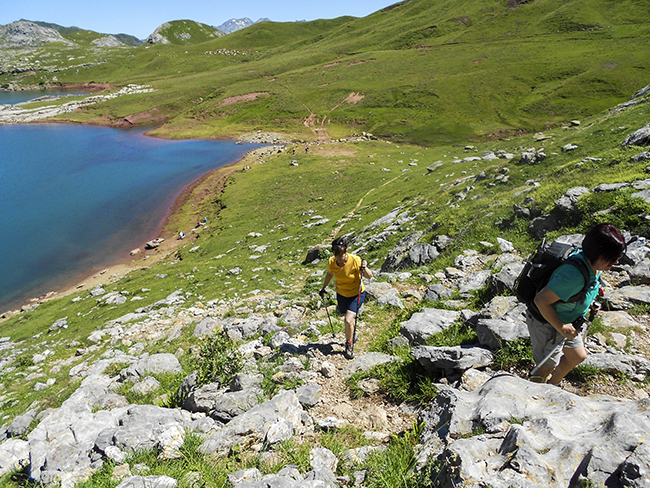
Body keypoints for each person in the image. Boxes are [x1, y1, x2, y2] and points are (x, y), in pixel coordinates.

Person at [527, 223, 626, 385]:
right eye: (611, 258)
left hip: (569, 322)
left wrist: (591, 302)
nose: (615, 262)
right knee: (547, 365)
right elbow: (541, 300)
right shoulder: (572, 275)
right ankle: (535, 392)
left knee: (578, 356)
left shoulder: (593, 265)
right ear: (598, 254)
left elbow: (585, 287)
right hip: (548, 324)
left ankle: (553, 385)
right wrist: (561, 327)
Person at [320, 237, 373, 359]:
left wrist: (365, 267)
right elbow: (329, 274)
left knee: (348, 320)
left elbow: (369, 276)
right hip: (341, 294)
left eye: (341, 255)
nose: (339, 258)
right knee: (347, 317)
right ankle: (352, 334)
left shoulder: (355, 260)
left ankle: (349, 345)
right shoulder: (332, 262)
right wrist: (324, 288)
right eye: (336, 255)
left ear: (346, 251)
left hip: (356, 293)